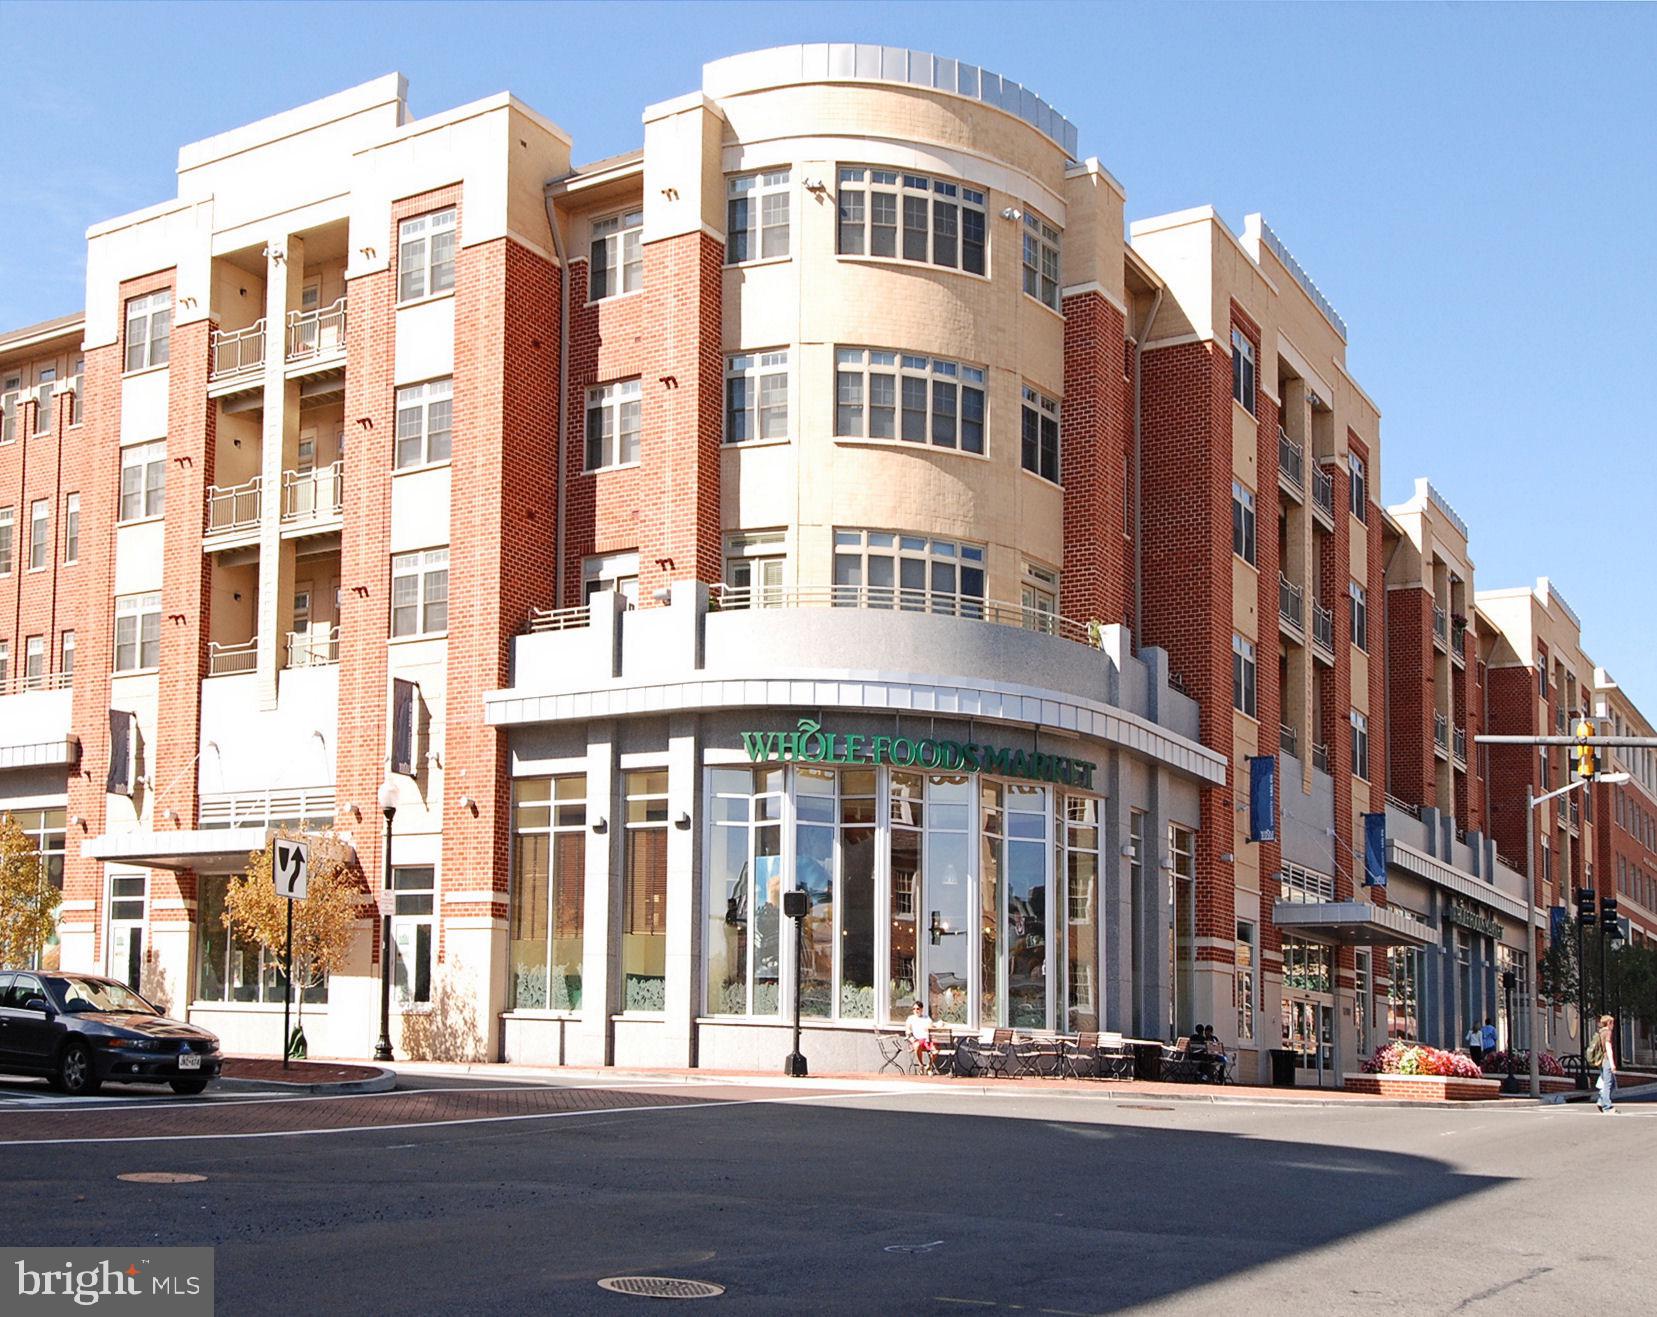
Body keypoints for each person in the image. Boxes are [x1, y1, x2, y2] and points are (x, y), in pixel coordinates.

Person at [1589, 1014, 1617, 1114]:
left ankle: (1601, 1101)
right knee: (1608, 1084)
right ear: (1609, 1023)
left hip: (1601, 1061)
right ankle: (1607, 1107)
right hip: (1606, 1060)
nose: (1613, 1025)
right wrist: (1612, 1063)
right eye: (1612, 1023)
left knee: (1612, 1083)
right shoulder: (1608, 1032)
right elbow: (1608, 1047)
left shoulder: (1600, 1032)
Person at [906, 1000, 938, 1073]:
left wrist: (932, 1028)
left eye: (917, 1009)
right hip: (917, 1039)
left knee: (935, 1051)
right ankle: (921, 1065)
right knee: (917, 1045)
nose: (915, 1010)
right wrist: (912, 1039)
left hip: (927, 1039)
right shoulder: (911, 1018)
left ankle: (929, 1065)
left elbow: (931, 1027)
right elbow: (907, 1030)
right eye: (914, 1009)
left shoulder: (926, 1018)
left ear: (921, 1009)